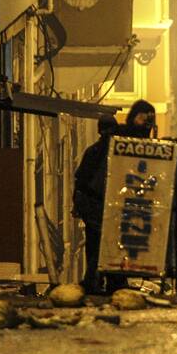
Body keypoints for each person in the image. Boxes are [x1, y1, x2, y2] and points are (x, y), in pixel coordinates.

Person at [73, 114, 119, 294]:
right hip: (106, 208)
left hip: (94, 209)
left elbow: (80, 181)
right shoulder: (118, 151)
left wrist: (77, 205)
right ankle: (112, 281)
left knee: (95, 246)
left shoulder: (93, 151)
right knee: (110, 247)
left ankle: (94, 281)